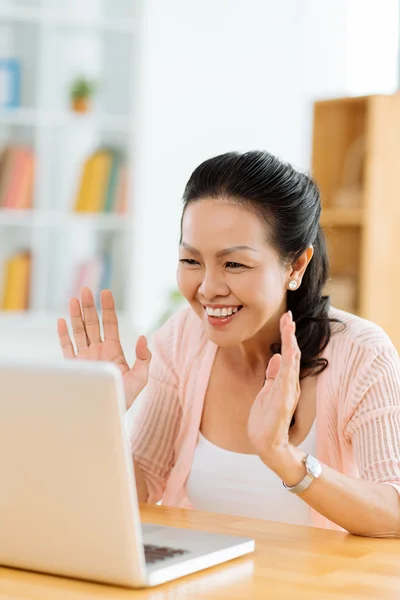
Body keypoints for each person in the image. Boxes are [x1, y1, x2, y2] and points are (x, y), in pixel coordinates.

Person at [57, 150, 400, 537]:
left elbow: (394, 510)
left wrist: (283, 457)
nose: (207, 289)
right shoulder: (183, 338)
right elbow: (140, 487)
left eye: (234, 264)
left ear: (296, 266)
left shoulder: (362, 354)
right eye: (191, 261)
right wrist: (96, 412)